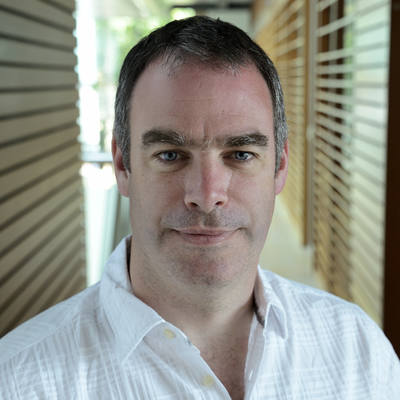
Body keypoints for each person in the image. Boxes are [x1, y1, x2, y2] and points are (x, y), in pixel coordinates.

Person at [0, 16, 399, 400]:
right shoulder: (17, 382)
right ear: (123, 166)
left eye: (240, 154)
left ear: (279, 166)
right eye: (170, 155)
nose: (207, 196)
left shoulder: (359, 350)